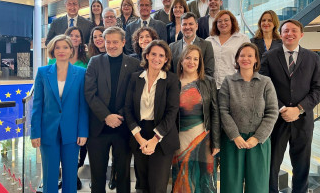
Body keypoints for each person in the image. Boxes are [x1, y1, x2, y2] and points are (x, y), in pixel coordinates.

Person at [260, 19, 320, 193]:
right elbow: (264, 88)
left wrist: (299, 109)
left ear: (301, 35)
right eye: (286, 31)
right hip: (275, 120)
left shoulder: (313, 58)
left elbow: (317, 89)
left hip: (303, 121)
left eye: (294, 31)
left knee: (302, 166)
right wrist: (281, 108)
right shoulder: (269, 57)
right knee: (271, 165)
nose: (290, 34)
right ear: (280, 35)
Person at [84, 26, 140, 193]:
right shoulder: (95, 62)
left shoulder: (134, 64)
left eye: (115, 42)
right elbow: (89, 92)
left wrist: (119, 116)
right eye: (108, 42)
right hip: (98, 128)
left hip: (123, 128)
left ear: (123, 42)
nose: (111, 45)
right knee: (97, 176)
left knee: (123, 177)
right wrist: (106, 116)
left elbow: (135, 95)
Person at [31, 34, 89, 193]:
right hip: (48, 131)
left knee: (70, 175)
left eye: (65, 47)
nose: (61, 50)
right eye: (57, 47)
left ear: (71, 50)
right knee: (50, 176)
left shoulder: (81, 73)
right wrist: (35, 132)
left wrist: (83, 131)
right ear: (52, 50)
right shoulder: (43, 72)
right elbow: (37, 105)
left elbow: (83, 105)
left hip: (72, 132)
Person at [219, 42, 279, 193]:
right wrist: (235, 135)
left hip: (258, 142)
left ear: (256, 60)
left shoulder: (266, 82)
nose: (246, 58)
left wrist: (257, 137)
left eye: (250, 55)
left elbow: (272, 112)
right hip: (232, 140)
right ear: (237, 59)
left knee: (258, 186)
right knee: (231, 186)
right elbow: (223, 110)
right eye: (242, 55)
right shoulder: (228, 81)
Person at [124, 40, 180, 193]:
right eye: (153, 54)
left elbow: (172, 112)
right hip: (139, 134)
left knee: (157, 186)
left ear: (166, 59)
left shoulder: (171, 80)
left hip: (162, 136)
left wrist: (155, 140)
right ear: (146, 55)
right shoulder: (135, 78)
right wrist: (139, 138)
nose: (157, 58)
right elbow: (128, 109)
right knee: (142, 185)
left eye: (161, 55)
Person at [172, 45, 220, 193]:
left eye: (195, 59)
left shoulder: (208, 82)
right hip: (179, 140)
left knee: (205, 179)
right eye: (188, 58)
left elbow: (215, 112)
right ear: (181, 61)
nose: (191, 62)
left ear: (200, 63)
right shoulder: (172, 82)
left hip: (204, 139)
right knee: (183, 179)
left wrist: (216, 142)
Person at [206, 10, 250, 89]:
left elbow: (249, 62)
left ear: (232, 22)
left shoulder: (242, 39)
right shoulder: (209, 41)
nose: (223, 23)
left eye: (226, 20)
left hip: (235, 85)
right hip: (213, 86)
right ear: (216, 24)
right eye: (219, 21)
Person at [169, 12, 214, 77]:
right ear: (181, 27)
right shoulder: (172, 47)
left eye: (191, 24)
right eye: (184, 24)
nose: (187, 27)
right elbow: (170, 72)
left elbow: (209, 71)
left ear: (196, 26)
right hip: (177, 85)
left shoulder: (206, 45)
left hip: (198, 86)